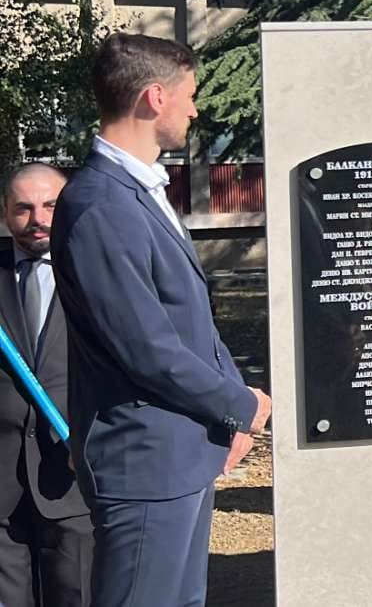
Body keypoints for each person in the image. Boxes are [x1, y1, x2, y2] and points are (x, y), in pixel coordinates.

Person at [52, 33, 271, 607]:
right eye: (189, 95)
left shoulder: (138, 190)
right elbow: (147, 348)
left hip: (179, 452)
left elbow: (190, 318)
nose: (194, 110)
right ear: (154, 97)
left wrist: (231, 413)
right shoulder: (102, 205)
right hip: (143, 461)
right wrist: (238, 403)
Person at [0, 164, 92, 605]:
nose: (37, 218)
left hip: (73, 478)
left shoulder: (97, 272)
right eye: (23, 208)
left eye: (50, 205)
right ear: (5, 212)